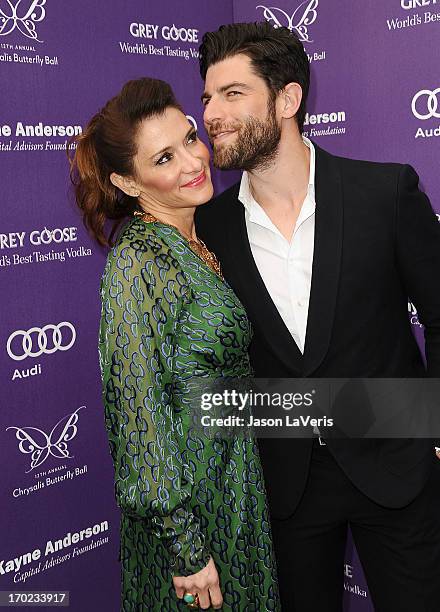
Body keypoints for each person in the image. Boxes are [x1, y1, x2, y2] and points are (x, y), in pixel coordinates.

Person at [196, 22, 440, 612]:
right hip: (284, 487)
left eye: (233, 93)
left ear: (288, 100)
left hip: (398, 468)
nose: (212, 113)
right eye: (207, 96)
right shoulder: (209, 229)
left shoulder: (383, 192)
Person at [69, 77, 280, 611]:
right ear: (129, 181)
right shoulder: (138, 261)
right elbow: (139, 414)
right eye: (164, 158)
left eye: (188, 138)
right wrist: (185, 547)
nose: (192, 162)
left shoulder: (196, 237)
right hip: (192, 523)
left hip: (234, 491)